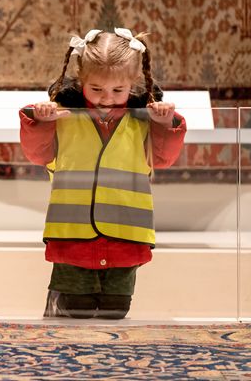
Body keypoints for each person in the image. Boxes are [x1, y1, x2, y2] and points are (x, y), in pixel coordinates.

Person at [20, 28, 187, 319]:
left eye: (117, 91)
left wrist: (163, 125)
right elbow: (38, 154)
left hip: (126, 234)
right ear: (81, 79)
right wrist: (43, 122)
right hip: (72, 235)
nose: (106, 98)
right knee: (76, 310)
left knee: (116, 310)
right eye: (96, 89)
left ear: (132, 84)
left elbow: (163, 159)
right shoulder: (63, 115)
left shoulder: (144, 120)